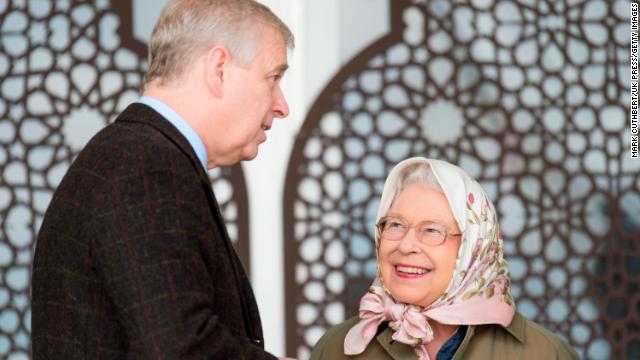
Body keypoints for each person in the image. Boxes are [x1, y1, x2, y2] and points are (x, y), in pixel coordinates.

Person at [31, 0, 295, 358]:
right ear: (219, 68)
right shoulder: (146, 166)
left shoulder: (133, 155)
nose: (282, 105)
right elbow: (180, 348)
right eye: (274, 77)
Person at [311, 158, 578, 360]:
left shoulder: (543, 353)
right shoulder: (338, 348)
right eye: (395, 225)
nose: (406, 245)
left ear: (474, 251)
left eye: (431, 230)